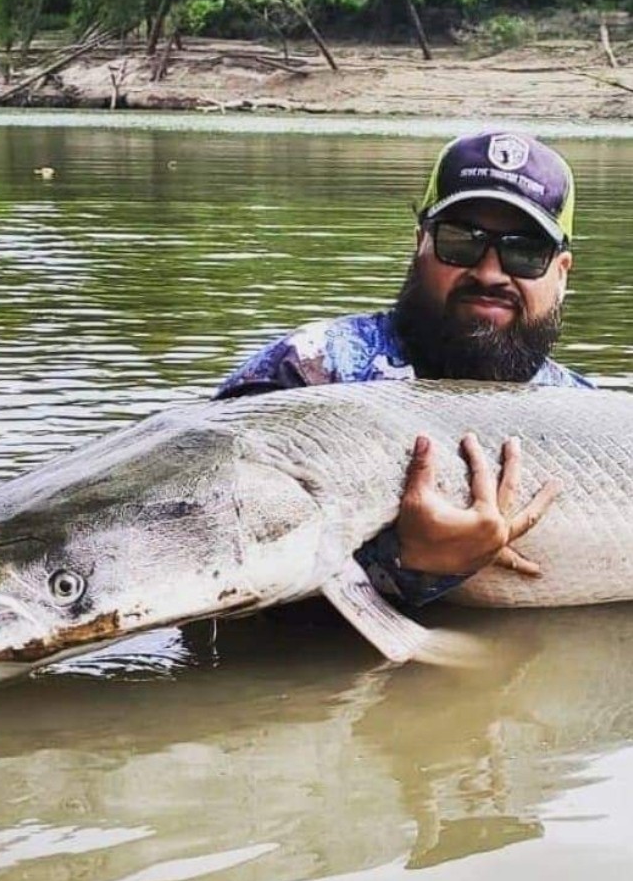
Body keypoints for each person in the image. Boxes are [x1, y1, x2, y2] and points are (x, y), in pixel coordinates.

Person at [216, 129, 593, 606]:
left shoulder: (582, 406)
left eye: (525, 252)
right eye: (462, 241)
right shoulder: (302, 373)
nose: (490, 272)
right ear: (420, 244)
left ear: (561, 274)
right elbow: (216, 584)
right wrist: (407, 565)